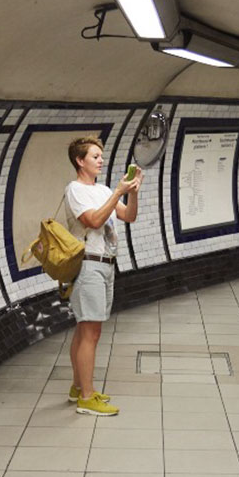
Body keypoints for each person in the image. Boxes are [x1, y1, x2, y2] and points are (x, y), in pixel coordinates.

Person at [64, 136, 141, 416]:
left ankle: (77, 388)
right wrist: (117, 193)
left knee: (86, 329)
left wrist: (131, 191)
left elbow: (129, 217)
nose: (100, 160)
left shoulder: (103, 189)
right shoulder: (75, 190)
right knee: (91, 332)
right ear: (79, 161)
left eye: (101, 156)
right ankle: (87, 397)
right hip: (88, 264)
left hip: (106, 264)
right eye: (95, 156)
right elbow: (93, 221)